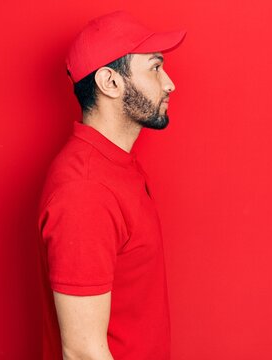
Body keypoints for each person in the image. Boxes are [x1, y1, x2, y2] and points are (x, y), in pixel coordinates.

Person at [37, 10, 186, 360]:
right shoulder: (85, 191)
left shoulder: (114, 167)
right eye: (154, 67)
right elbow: (83, 352)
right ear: (111, 83)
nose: (169, 83)